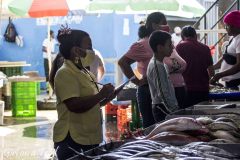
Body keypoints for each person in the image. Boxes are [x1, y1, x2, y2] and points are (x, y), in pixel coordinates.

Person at [53, 27, 115, 160]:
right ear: (76, 50)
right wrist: (100, 95)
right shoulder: (65, 73)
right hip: (73, 139)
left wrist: (107, 97)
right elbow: (74, 106)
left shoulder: (83, 71)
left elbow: (92, 103)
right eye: (89, 46)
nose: (92, 51)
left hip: (88, 136)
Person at [118, 12, 169, 128]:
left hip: (163, 89)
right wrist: (137, 81)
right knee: (152, 127)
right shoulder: (142, 44)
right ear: (154, 25)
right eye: (163, 23)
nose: (166, 26)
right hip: (148, 90)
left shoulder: (164, 43)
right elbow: (123, 62)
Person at [176, 26, 214, 107]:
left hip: (186, 88)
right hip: (203, 89)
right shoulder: (205, 48)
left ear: (182, 37)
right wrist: (211, 83)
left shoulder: (179, 47)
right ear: (196, 36)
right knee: (202, 116)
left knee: (188, 116)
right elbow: (211, 70)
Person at [147, 30, 179, 122]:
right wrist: (174, 111)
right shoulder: (157, 66)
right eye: (169, 45)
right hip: (163, 108)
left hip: (166, 107)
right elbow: (163, 93)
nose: (172, 47)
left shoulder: (161, 64)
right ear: (160, 47)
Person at [210, 10, 240, 90]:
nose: (226, 28)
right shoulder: (233, 38)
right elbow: (226, 57)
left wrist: (219, 75)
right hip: (230, 81)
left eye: (227, 26)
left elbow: (239, 66)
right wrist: (211, 68)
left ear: (235, 26)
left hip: (236, 82)